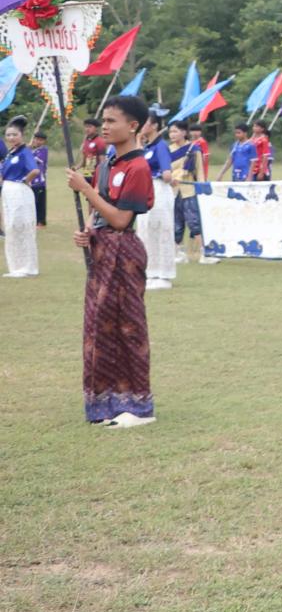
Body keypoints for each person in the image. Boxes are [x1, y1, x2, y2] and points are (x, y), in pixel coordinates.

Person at [67, 94, 156, 426]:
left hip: (124, 253)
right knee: (99, 328)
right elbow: (100, 213)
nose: (104, 126)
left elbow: (120, 220)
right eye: (103, 120)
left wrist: (85, 189)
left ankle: (138, 406)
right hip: (102, 251)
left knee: (128, 328)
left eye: (111, 121)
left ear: (132, 126)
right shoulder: (107, 164)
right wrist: (87, 232)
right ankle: (106, 403)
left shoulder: (138, 167)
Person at [136, 115, 177, 290]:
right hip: (145, 190)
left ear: (154, 126)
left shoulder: (161, 146)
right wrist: (138, 139)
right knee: (146, 231)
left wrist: (165, 175)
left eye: (145, 123)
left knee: (161, 229)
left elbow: (167, 173)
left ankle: (165, 274)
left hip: (159, 190)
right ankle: (151, 272)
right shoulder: (147, 147)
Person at [2, 117, 40, 277]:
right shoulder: (10, 153)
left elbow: (35, 170)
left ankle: (28, 267)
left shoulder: (25, 152)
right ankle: (16, 266)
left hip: (19, 191)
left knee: (21, 226)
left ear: (21, 135)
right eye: (8, 135)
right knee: (11, 227)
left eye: (14, 134)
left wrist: (24, 181)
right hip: (8, 191)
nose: (11, 138)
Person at [167, 121, 207, 265]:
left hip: (188, 190)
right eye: (170, 131)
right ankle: (179, 252)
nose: (172, 134)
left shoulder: (193, 149)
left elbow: (199, 171)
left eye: (175, 131)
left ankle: (203, 252)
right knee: (176, 222)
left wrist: (202, 189)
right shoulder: (168, 150)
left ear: (184, 132)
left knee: (194, 221)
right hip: (172, 190)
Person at [28, 130, 48, 227]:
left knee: (40, 202)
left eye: (41, 140)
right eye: (36, 139)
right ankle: (34, 220)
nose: (38, 141)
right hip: (31, 181)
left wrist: (28, 150)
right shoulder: (32, 150)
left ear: (44, 141)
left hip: (39, 181)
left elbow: (38, 160)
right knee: (32, 202)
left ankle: (41, 221)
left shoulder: (43, 150)